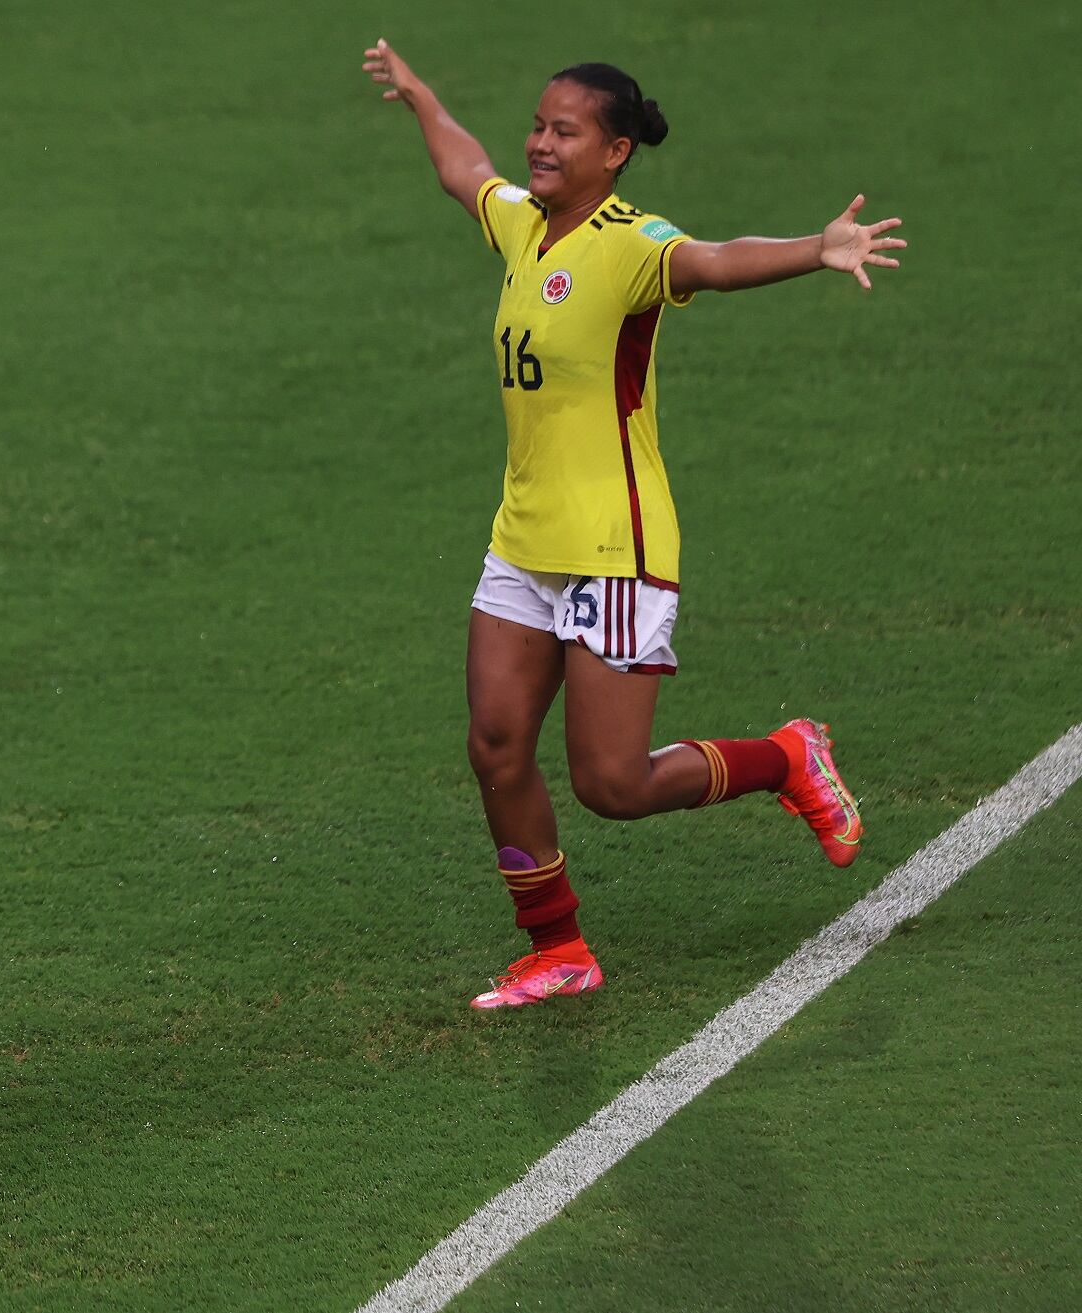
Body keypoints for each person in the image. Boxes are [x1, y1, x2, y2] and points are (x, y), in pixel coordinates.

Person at [360, 45, 905, 1008]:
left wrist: (815, 250)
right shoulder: (527, 228)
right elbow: (464, 170)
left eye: (563, 132)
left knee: (612, 783)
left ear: (613, 151)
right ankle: (557, 947)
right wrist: (419, 96)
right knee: (494, 744)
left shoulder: (629, 241)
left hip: (618, 548)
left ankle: (787, 756)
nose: (538, 143)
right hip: (523, 542)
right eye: (537, 124)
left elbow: (712, 260)